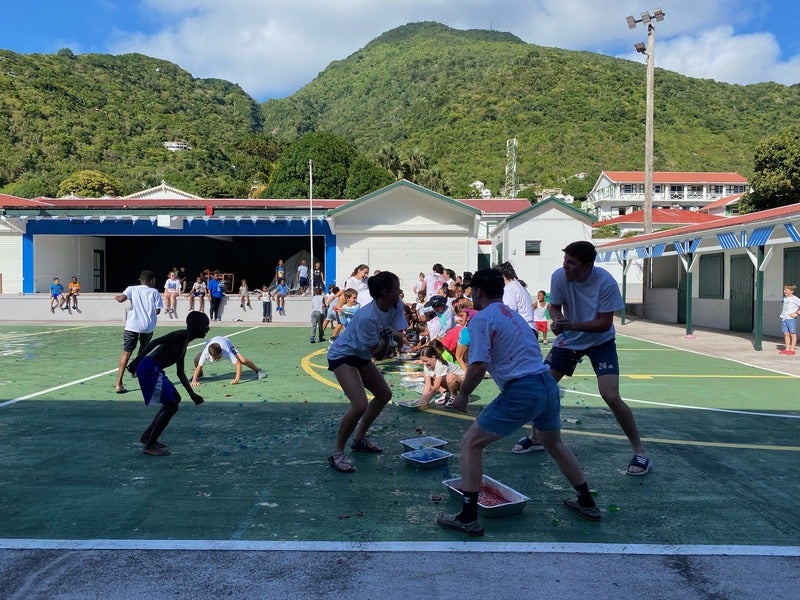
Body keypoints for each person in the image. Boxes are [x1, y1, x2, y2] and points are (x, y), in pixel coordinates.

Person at [437, 268, 600, 536]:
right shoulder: (513, 315)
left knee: (471, 443)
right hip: (546, 385)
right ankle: (587, 501)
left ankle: (467, 516)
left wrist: (463, 394)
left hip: (522, 390)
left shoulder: (481, 320)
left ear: (477, 292)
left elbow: (477, 365)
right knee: (554, 444)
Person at [511, 241, 652, 476]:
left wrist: (572, 325)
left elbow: (605, 323)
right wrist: (557, 321)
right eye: (565, 261)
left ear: (587, 266)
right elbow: (554, 307)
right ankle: (536, 439)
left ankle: (640, 451)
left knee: (611, 395)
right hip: (569, 341)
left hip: (600, 341)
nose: (565, 266)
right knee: (541, 385)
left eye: (571, 263)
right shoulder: (559, 277)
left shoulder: (605, 282)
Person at [326, 271, 408, 473]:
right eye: (397, 288)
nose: (400, 291)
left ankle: (359, 439)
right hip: (343, 355)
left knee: (383, 395)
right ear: (386, 292)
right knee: (359, 404)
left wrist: (391, 336)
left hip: (361, 354)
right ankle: (337, 453)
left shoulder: (396, 305)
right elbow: (378, 356)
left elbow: (400, 338)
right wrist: (385, 340)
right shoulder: (367, 318)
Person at [127, 311, 210, 456]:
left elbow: (180, 373)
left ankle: (147, 437)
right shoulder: (181, 335)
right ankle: (149, 445)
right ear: (196, 326)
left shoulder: (184, 345)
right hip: (149, 368)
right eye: (205, 325)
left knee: (175, 400)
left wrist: (192, 395)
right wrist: (136, 361)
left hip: (155, 369)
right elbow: (154, 342)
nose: (207, 329)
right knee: (171, 406)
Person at [114, 270, 163, 394]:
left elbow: (121, 299)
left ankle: (118, 384)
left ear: (140, 280)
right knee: (144, 349)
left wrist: (117, 297)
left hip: (132, 326)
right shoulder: (154, 292)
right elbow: (158, 311)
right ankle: (135, 368)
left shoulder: (132, 289)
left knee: (126, 352)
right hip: (147, 327)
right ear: (152, 280)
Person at [190, 335, 266, 386]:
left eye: (215, 357)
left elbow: (238, 364)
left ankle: (258, 370)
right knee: (197, 359)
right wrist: (194, 380)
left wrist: (237, 379)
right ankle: (200, 374)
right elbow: (199, 366)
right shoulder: (206, 353)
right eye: (212, 357)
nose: (213, 359)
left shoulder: (226, 351)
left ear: (220, 353)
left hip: (225, 342)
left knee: (243, 360)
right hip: (212, 342)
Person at [496, 261, 537, 338]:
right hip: (529, 329)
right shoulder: (519, 286)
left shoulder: (509, 288)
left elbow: (508, 311)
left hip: (521, 331)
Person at [779, 283, 800, 355]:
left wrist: (796, 314)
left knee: (793, 334)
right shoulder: (785, 298)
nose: (784, 291)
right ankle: (787, 348)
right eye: (784, 290)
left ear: (791, 291)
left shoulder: (796, 299)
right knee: (786, 334)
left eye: (786, 290)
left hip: (791, 319)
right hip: (784, 318)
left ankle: (792, 349)